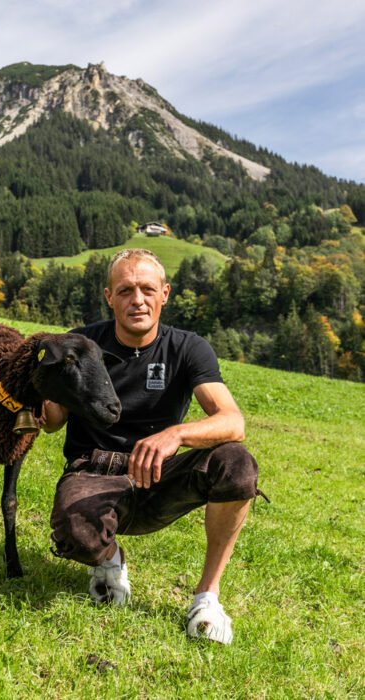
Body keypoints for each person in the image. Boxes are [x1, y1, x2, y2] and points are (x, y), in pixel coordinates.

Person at [44, 248, 263, 644]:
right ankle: (109, 564)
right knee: (72, 532)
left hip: (157, 473)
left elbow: (233, 421)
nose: (137, 300)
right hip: (91, 470)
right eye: (125, 290)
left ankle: (207, 598)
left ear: (165, 293)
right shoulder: (80, 344)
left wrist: (175, 435)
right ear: (109, 297)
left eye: (147, 289)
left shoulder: (187, 348)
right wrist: (46, 393)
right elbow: (53, 421)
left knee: (236, 463)